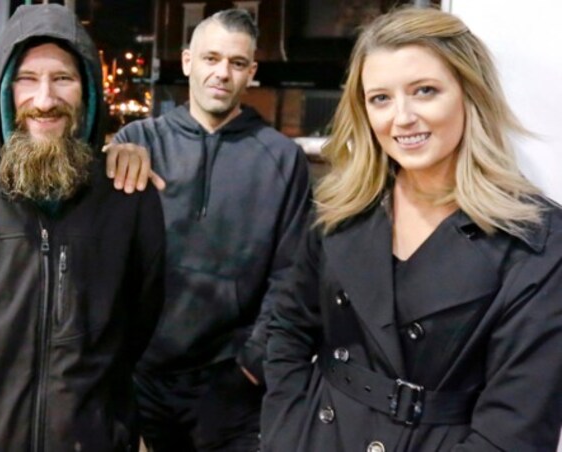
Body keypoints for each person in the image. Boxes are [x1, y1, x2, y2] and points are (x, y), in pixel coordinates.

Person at [262, 7, 562, 452]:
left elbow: (516, 429)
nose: (401, 118)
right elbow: (286, 327)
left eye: (424, 91)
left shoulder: (537, 239)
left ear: (469, 94)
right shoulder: (341, 205)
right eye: (380, 98)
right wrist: (287, 432)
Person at [0, 4, 165, 451]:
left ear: (89, 90)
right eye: (27, 79)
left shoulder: (130, 198)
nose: (45, 100)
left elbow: (139, 321)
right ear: (3, 91)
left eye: (63, 79)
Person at [105, 8, 312, 451]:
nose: (222, 73)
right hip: (143, 374)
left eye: (237, 63)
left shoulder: (281, 157)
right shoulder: (137, 143)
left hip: (230, 381)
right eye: (210, 58)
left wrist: (252, 365)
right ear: (187, 62)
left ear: (251, 72)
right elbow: (100, 257)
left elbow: (292, 272)